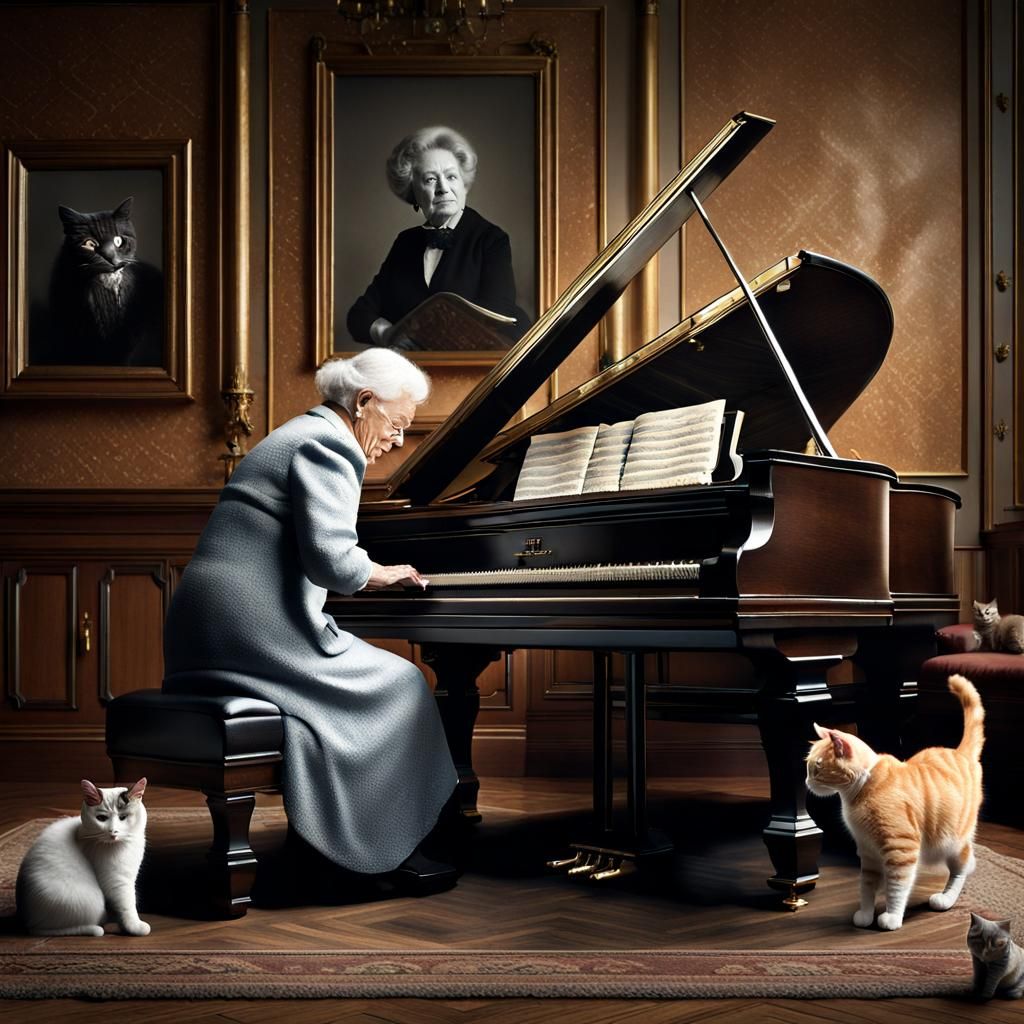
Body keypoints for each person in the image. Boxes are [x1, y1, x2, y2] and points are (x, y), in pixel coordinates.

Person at [162, 348, 458, 894]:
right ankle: (377, 851)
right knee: (403, 684)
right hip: (247, 626)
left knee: (346, 698)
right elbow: (333, 561)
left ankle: (337, 836)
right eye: (396, 425)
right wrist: (386, 573)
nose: (397, 442)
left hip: (210, 626)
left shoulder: (301, 432)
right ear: (364, 402)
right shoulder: (330, 444)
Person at [347, 125, 532, 349]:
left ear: (464, 185)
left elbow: (497, 313)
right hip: (415, 373)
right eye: (430, 180)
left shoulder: (491, 239)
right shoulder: (405, 243)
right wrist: (387, 333)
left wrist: (426, 338)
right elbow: (359, 315)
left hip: (475, 370)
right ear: (413, 192)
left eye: (451, 176)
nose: (443, 188)